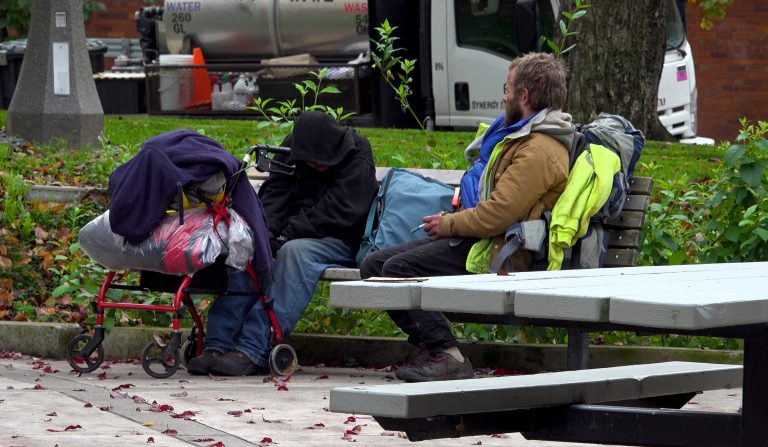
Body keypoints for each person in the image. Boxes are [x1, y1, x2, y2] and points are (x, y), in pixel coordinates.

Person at [359, 52, 576, 382]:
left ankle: (447, 356)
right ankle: (435, 348)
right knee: (373, 266)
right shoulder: (525, 137)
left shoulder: (539, 150)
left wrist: (448, 224)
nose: (503, 96)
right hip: (481, 238)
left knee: (397, 270)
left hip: (500, 251)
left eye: (507, 88)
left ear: (525, 96)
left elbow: (499, 216)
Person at [188, 111, 378, 376]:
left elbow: (343, 209)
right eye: (310, 163)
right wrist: (266, 232)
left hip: (338, 236)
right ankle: (216, 344)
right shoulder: (292, 146)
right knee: (249, 245)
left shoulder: (357, 151)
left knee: (293, 253)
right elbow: (275, 195)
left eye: (322, 163)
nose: (316, 167)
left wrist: (289, 233)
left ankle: (253, 347)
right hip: (292, 231)